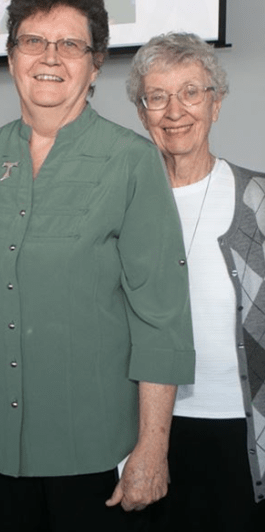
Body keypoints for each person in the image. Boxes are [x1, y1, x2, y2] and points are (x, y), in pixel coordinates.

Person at [0, 0, 195, 531]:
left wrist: (152, 449)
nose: (50, 57)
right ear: (11, 56)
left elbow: (161, 320)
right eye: (32, 41)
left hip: (93, 451)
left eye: (70, 44)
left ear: (95, 64)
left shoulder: (131, 162)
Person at [126, 32, 265, 532]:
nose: (174, 111)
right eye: (157, 97)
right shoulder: (121, 203)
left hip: (244, 431)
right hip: (143, 430)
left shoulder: (258, 200)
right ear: (142, 113)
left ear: (216, 103)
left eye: (191, 92)